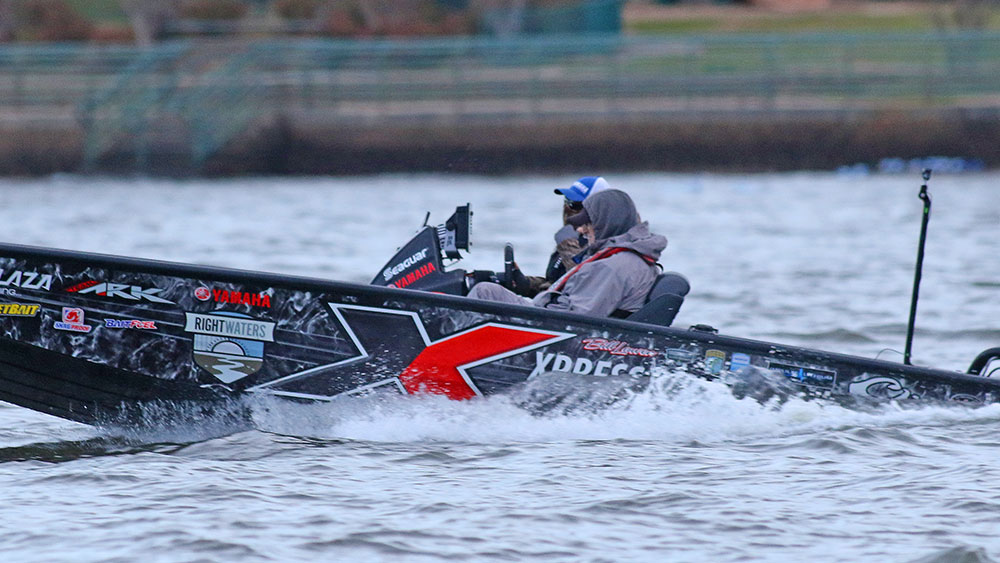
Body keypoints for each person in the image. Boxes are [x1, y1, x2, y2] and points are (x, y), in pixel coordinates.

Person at [469, 188, 667, 317]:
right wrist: (527, 286)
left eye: (587, 223)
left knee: (485, 291)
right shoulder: (620, 258)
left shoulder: (614, 266)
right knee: (488, 290)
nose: (580, 229)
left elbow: (577, 318)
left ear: (607, 223)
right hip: (552, 316)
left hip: (553, 334)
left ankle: (453, 358)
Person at [510, 176, 610, 297]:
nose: (567, 208)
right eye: (566, 201)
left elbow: (587, 286)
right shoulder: (572, 238)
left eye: (574, 204)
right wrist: (525, 284)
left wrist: (568, 246)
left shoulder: (603, 245)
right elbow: (556, 284)